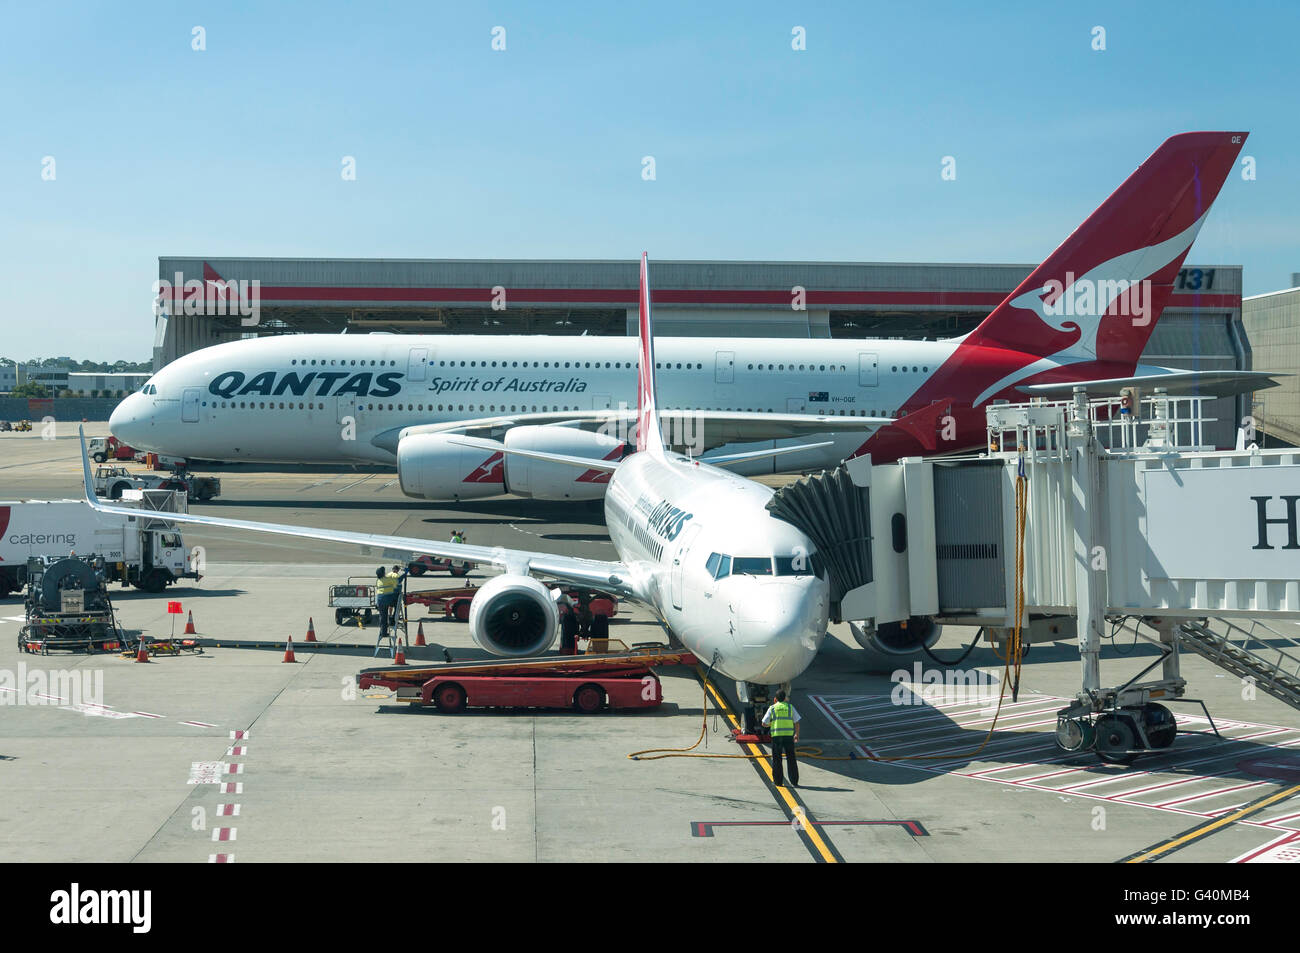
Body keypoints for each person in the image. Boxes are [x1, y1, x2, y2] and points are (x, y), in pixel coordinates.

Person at [761, 690, 801, 787]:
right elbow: (797, 722)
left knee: (777, 759)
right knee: (791, 758)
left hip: (777, 737)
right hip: (788, 737)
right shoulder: (790, 707)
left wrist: (772, 724)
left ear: (775, 699)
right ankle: (794, 781)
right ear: (785, 699)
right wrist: (796, 734)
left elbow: (764, 723)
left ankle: (778, 782)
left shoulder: (773, 708)